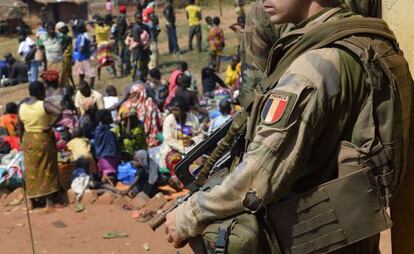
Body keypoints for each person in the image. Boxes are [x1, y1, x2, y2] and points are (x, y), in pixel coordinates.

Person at [164, 1, 413, 253]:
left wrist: (188, 215)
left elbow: (256, 179)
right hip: (355, 235)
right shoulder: (371, 42)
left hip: (315, 240)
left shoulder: (314, 68)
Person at [18, 81, 62, 209]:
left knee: (32, 170)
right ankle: (49, 201)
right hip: (43, 139)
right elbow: (59, 112)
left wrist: (22, 142)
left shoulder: (22, 106)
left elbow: (20, 128)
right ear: (39, 92)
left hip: (28, 140)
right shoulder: (43, 105)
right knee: (46, 167)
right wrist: (50, 126)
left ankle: (32, 201)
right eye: (43, 91)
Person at [159, 96, 203, 176]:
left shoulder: (193, 118)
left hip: (192, 148)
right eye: (173, 110)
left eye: (177, 110)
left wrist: (193, 140)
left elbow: (201, 134)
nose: (174, 112)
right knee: (176, 161)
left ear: (184, 110)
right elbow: (169, 140)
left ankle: (198, 176)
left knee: (201, 161)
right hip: (173, 149)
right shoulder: (169, 120)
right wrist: (184, 150)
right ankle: (180, 180)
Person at [94, 109, 120, 184]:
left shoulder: (103, 130)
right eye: (109, 116)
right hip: (108, 160)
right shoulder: (102, 130)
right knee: (110, 179)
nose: (111, 117)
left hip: (107, 159)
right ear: (104, 118)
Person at [94, 16, 117, 80]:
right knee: (109, 60)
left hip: (101, 46)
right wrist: (109, 24)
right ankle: (115, 75)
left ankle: (99, 77)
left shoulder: (97, 27)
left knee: (102, 61)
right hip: (105, 45)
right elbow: (106, 29)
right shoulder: (104, 28)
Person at [73, 21, 95, 88]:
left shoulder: (77, 37)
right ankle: (91, 89)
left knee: (81, 75)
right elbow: (81, 49)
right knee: (92, 75)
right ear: (82, 28)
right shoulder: (82, 37)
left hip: (78, 59)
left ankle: (80, 89)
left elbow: (76, 48)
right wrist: (89, 47)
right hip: (84, 59)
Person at [131, 12, 151, 81]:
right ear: (135, 19)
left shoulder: (145, 26)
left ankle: (144, 79)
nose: (139, 20)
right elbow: (137, 40)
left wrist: (148, 44)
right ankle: (138, 81)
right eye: (138, 18)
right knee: (138, 67)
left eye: (140, 18)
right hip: (138, 51)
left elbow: (150, 36)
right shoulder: (135, 28)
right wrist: (144, 46)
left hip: (145, 50)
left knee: (145, 66)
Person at [43, 21, 64, 86]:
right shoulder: (43, 38)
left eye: (52, 28)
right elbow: (40, 47)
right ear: (46, 30)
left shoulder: (60, 35)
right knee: (51, 80)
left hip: (60, 62)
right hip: (50, 63)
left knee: (60, 81)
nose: (51, 30)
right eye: (49, 29)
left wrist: (62, 49)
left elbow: (68, 39)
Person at [56, 22, 75, 87]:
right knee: (66, 73)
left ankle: (72, 86)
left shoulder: (67, 37)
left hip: (69, 56)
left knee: (69, 73)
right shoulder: (61, 37)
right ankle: (68, 87)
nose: (65, 28)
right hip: (65, 56)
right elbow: (61, 48)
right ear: (59, 29)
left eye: (65, 27)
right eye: (62, 28)